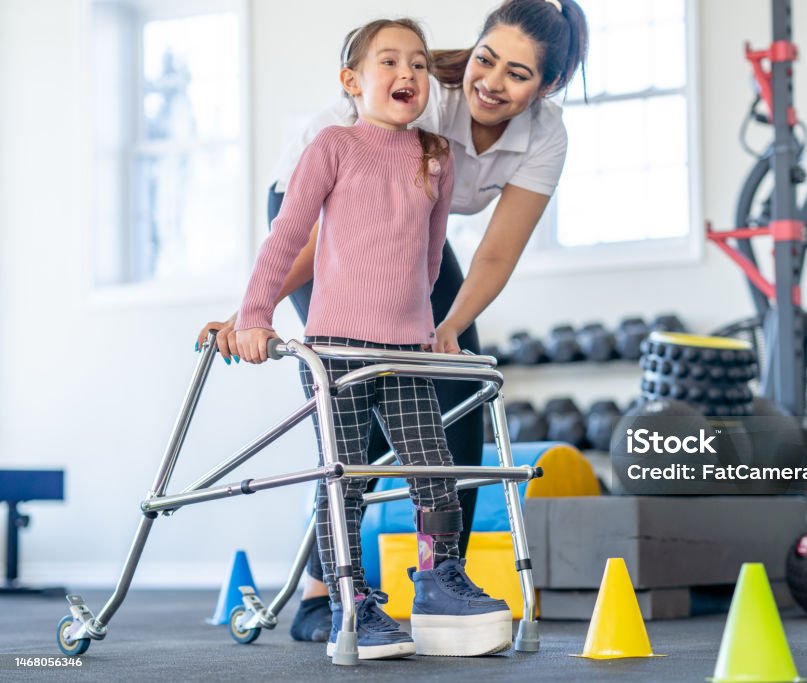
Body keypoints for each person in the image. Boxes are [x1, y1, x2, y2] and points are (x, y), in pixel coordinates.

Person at [197, 0, 589, 644]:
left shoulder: (546, 135)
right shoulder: (422, 91)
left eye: (518, 75)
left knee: (454, 389)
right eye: (485, 58)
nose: (490, 82)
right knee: (356, 399)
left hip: (408, 227)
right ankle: (326, 595)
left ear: (547, 87)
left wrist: (449, 330)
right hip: (323, 210)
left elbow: (495, 250)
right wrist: (250, 310)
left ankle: (440, 581)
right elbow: (309, 227)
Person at [235, 18, 515, 660]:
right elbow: (286, 239)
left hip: (404, 351)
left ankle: (440, 580)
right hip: (335, 349)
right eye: (389, 62)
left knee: (434, 471)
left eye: (418, 64)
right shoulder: (331, 145)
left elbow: (428, 257)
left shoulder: (436, 157)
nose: (407, 75)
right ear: (352, 82)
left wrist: (435, 332)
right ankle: (349, 601)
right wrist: (254, 314)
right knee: (346, 479)